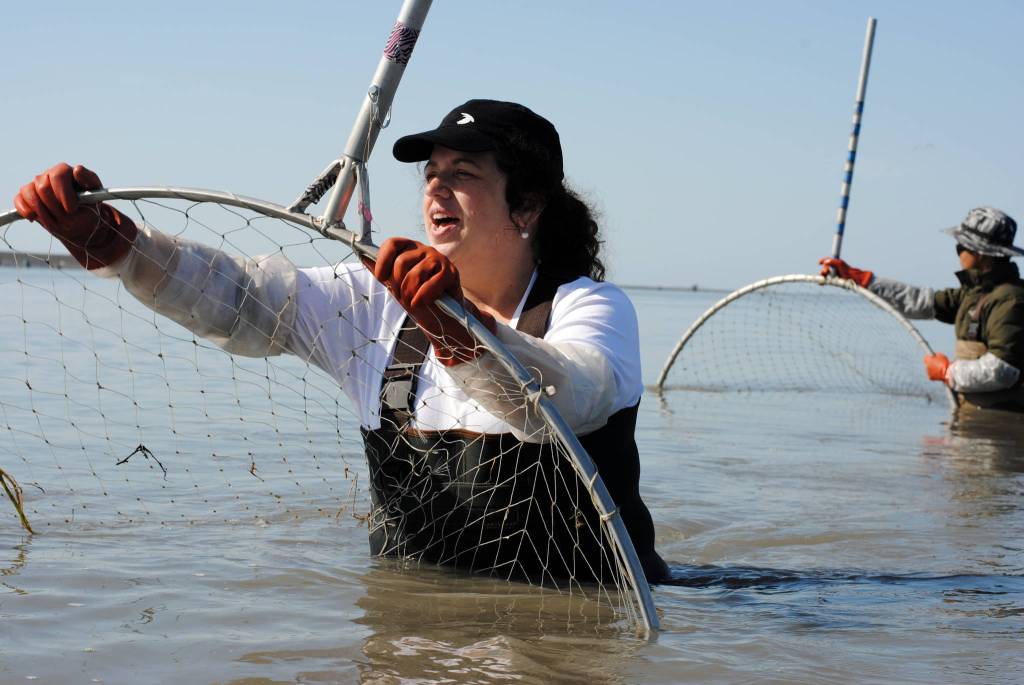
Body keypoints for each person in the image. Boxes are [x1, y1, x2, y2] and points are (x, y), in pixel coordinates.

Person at [14, 99, 670, 583]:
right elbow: (240, 302)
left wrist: (462, 328)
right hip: (414, 627)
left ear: (527, 206)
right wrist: (113, 242)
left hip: (588, 610)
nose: (437, 185)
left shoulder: (590, 307)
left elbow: (569, 394)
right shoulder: (373, 303)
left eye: (464, 172)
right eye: (431, 172)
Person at [820, 207, 1024, 412]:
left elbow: (1004, 370)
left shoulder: (1009, 300)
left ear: (981, 254)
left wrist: (948, 371)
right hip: (977, 418)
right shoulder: (974, 294)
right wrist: (863, 280)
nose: (958, 252)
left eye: (961, 247)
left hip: (1003, 423)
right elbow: (921, 302)